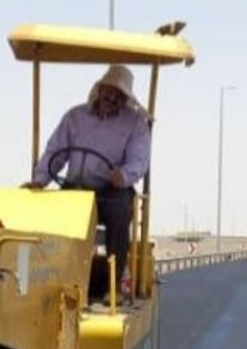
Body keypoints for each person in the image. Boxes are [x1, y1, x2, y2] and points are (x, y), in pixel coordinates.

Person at [23, 64, 151, 291]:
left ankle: (115, 283)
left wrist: (123, 175)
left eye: (118, 94)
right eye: (108, 90)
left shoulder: (135, 123)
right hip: (75, 188)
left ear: (125, 99)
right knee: (46, 209)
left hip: (110, 189)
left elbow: (139, 161)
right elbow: (55, 151)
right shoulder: (75, 117)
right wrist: (40, 180)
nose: (111, 97)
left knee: (121, 209)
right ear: (99, 90)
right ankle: (51, 279)